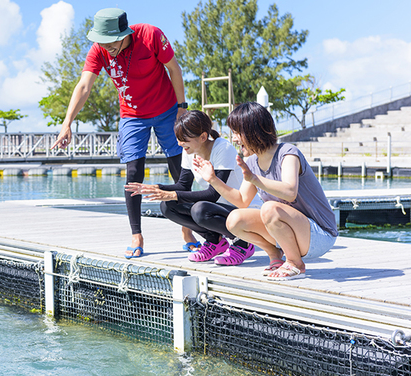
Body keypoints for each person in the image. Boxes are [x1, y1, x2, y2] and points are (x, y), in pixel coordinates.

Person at [51, 8, 186, 259]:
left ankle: (186, 227)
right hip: (132, 115)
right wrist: (67, 122)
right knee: (133, 171)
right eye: (102, 42)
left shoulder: (151, 35)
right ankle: (136, 234)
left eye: (112, 42)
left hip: (167, 108)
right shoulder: (99, 50)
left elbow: (174, 69)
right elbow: (84, 86)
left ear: (125, 34)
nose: (107, 48)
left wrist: (181, 108)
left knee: (178, 167)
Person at [192, 102, 338, 281]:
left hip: (319, 235)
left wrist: (254, 179)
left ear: (253, 131)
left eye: (237, 133)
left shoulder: (288, 153)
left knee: (269, 209)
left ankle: (295, 263)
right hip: (291, 234)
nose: (235, 139)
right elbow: (242, 201)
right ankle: (275, 255)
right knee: (234, 220)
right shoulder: (253, 161)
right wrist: (213, 179)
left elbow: (290, 191)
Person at [125, 110, 261, 265]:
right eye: (178, 139)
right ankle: (215, 241)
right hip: (221, 210)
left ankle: (243, 243)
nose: (179, 144)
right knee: (168, 206)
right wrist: (157, 187)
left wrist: (173, 194)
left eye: (184, 139)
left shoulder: (222, 148)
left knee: (200, 209)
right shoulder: (189, 152)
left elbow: (213, 194)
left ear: (203, 137)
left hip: (244, 211)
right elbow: (183, 185)